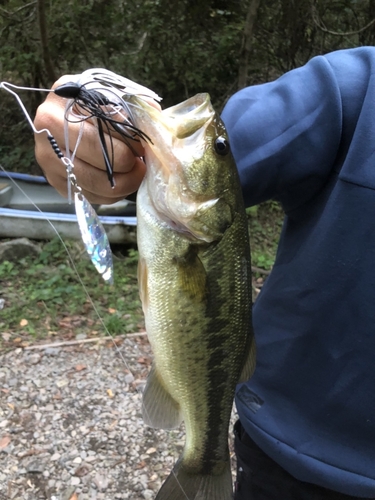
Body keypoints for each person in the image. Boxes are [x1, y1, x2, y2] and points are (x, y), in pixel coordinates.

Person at [34, 47, 375, 500]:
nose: (212, 140)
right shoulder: (350, 90)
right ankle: (205, 457)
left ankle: (202, 458)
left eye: (214, 146)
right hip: (288, 458)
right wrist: (93, 116)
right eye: (219, 147)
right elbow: (143, 159)